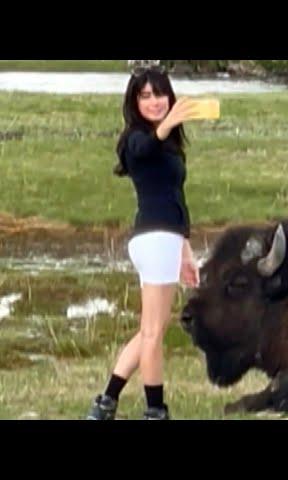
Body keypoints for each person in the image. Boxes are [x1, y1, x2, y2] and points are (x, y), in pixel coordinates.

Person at [87, 64, 199, 420]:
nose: (154, 102)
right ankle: (155, 411)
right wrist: (165, 125)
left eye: (160, 94)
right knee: (153, 333)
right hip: (153, 241)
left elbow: (174, 200)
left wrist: (186, 250)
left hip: (165, 240)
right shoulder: (135, 140)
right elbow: (145, 149)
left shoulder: (168, 147)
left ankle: (106, 402)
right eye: (145, 96)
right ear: (135, 102)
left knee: (151, 329)